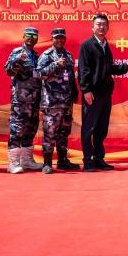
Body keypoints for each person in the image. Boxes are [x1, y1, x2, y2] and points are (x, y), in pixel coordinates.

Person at [78, 14, 128, 172]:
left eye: (104, 24)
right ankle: (87, 161)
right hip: (92, 95)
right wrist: (86, 90)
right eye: (98, 24)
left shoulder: (105, 46)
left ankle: (99, 159)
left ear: (108, 27)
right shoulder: (87, 46)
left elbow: (108, 68)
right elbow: (83, 70)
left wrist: (125, 67)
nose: (101, 27)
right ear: (92, 27)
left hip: (105, 94)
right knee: (88, 129)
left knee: (101, 129)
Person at [37, 28, 79, 174]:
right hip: (52, 102)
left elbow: (70, 76)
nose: (60, 40)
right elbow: (38, 73)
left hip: (66, 102)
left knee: (64, 132)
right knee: (50, 132)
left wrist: (74, 91)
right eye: (57, 38)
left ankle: (62, 160)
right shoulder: (47, 55)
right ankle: (47, 163)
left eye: (62, 38)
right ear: (52, 39)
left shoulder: (68, 55)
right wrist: (55, 64)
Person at [4, 27, 43, 173]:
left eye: (34, 36)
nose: (31, 38)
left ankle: (27, 161)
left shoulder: (36, 55)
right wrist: (17, 60)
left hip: (34, 100)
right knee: (17, 129)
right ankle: (12, 163)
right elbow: (8, 70)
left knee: (31, 129)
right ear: (23, 37)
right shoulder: (17, 52)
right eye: (29, 35)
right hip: (20, 100)